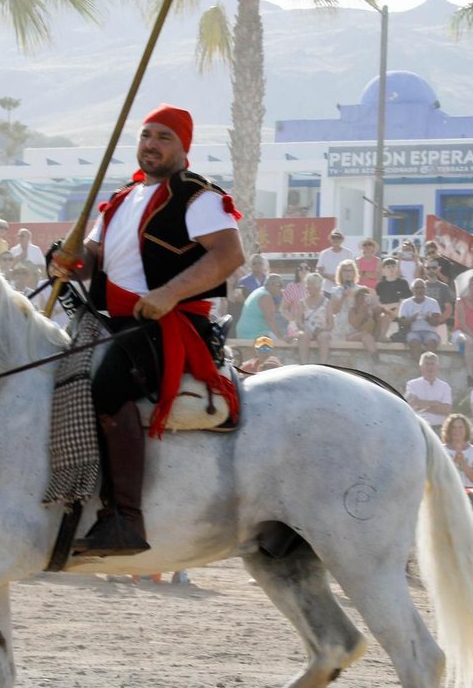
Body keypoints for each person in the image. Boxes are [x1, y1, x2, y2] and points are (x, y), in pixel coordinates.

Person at [46, 104, 243, 556]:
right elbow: (91, 260)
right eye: (146, 135)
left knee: (109, 385)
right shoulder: (117, 200)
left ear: (183, 147)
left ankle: (123, 519)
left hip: (166, 320)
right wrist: (66, 261)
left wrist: (170, 293)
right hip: (107, 319)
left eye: (164, 137)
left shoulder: (200, 197)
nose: (151, 144)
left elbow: (230, 255)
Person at [290, 272, 332, 365]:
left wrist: (322, 329)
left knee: (324, 336)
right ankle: (304, 365)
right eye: (307, 283)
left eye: (311, 284)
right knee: (302, 335)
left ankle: (323, 365)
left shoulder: (327, 302)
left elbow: (331, 325)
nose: (308, 286)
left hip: (321, 330)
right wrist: (305, 329)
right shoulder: (302, 302)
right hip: (307, 330)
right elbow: (298, 321)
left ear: (318, 285)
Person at [235, 273, 287, 343]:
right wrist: (281, 337)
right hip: (253, 334)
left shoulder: (259, 291)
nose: (281, 289)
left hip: (247, 332)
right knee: (281, 343)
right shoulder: (265, 297)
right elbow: (269, 320)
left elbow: (272, 311)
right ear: (271, 285)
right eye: (280, 285)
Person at [405, 351, 452, 428]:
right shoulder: (412, 384)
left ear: (437, 368)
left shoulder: (445, 386)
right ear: (420, 367)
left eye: (432, 364)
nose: (430, 367)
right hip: (420, 427)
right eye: (427, 364)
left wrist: (421, 406)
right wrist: (435, 403)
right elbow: (412, 404)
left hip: (440, 427)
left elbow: (446, 409)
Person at [397, 278, 443, 351]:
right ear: (412, 290)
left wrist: (428, 319)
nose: (420, 290)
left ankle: (429, 362)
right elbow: (402, 322)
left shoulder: (433, 302)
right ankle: (419, 362)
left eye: (422, 288)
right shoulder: (405, 303)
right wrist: (412, 319)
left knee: (431, 342)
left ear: (425, 289)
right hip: (412, 332)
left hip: (430, 332)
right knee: (414, 343)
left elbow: (436, 322)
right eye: (417, 288)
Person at [442, 413, 473, 489]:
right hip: (447, 492)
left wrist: (462, 463)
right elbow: (439, 477)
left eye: (461, 427)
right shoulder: (441, 450)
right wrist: (454, 462)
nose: (457, 430)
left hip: (469, 494)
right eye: (454, 427)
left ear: (466, 429)